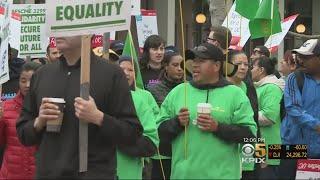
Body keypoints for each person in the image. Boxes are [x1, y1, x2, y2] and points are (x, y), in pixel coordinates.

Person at [16, 35, 143, 179]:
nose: (58, 32)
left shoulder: (111, 74)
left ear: (87, 32)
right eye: (57, 25)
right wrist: (39, 121)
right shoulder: (42, 74)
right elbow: (23, 134)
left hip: (94, 174)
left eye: (66, 25)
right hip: (48, 174)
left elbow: (133, 134)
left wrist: (99, 117)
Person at [157, 43, 257, 179]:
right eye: (193, 61)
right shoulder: (178, 92)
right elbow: (158, 132)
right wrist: (177, 123)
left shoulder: (235, 94)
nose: (195, 65)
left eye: (201, 61)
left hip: (223, 175)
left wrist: (217, 127)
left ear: (217, 66)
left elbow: (249, 135)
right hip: (183, 175)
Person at [280, 39, 320, 179]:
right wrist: (316, 125)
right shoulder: (294, 78)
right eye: (300, 56)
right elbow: (293, 108)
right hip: (291, 147)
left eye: (306, 57)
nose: (300, 61)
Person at [117, 55, 159, 179]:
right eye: (122, 69)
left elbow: (151, 140)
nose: (126, 73)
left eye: (130, 70)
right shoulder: (100, 97)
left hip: (133, 170)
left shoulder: (141, 99)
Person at [0, 62, 41, 179]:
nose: (27, 85)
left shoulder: (48, 107)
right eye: (23, 81)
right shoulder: (6, 107)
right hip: (11, 174)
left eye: (32, 81)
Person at [148, 50, 184, 179]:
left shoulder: (189, 88)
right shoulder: (153, 89)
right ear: (166, 66)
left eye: (182, 65)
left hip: (183, 149)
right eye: (175, 65)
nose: (180, 69)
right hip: (162, 149)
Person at [226, 50, 260, 179]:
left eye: (246, 64)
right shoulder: (219, 87)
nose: (243, 67)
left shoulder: (249, 87)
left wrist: (260, 154)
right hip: (226, 150)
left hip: (247, 150)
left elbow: (255, 122)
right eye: (239, 63)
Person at [251, 56, 285, 179]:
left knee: (266, 175)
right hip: (259, 143)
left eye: (252, 67)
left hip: (269, 145)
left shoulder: (271, 88)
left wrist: (246, 117)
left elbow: (269, 117)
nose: (249, 70)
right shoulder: (258, 86)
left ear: (261, 70)